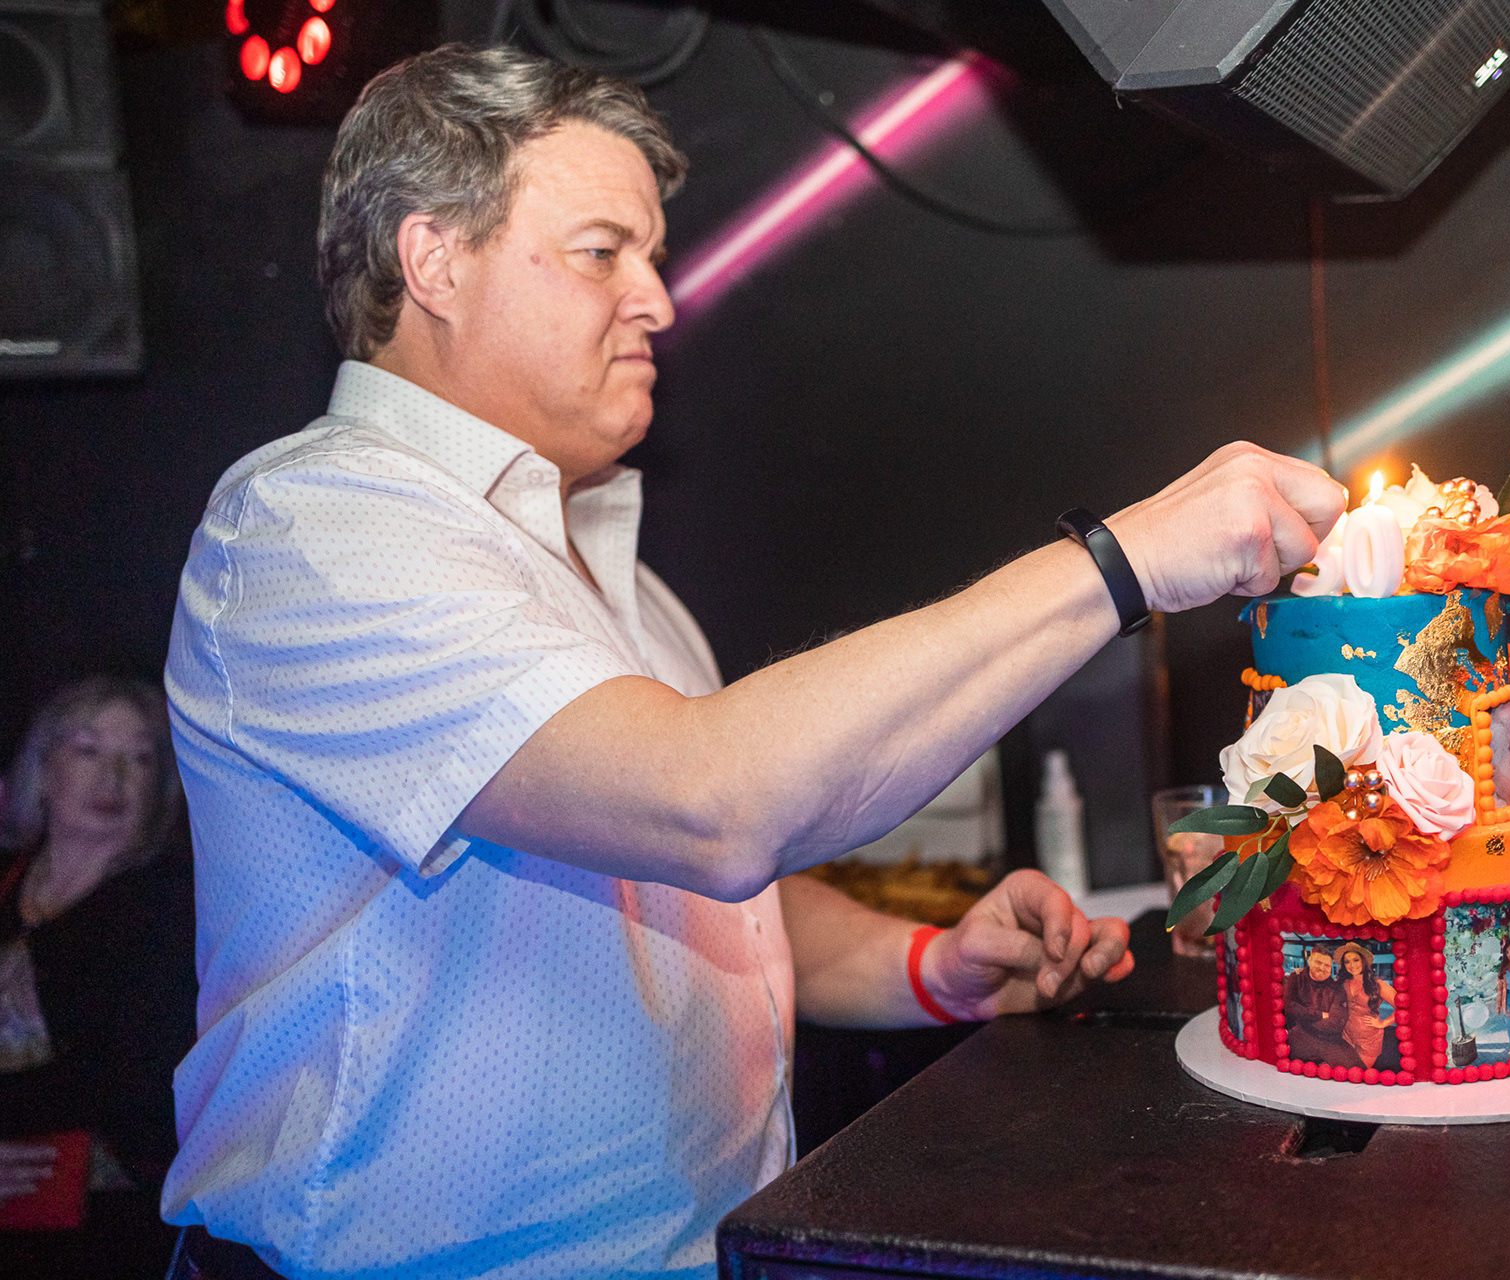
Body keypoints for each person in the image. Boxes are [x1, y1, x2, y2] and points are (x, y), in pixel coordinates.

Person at [160, 45, 1346, 1279]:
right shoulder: (315, 525)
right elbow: (712, 802)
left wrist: (929, 965)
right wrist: (1125, 558)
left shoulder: (615, 574)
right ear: (434, 261)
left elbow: (702, 888)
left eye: (652, 257)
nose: (658, 300)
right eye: (602, 252)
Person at [0, 678, 196, 1279]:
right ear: (42, 768)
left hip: (101, 1238)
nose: (112, 777)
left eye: (140, 758)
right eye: (88, 750)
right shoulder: (8, 886)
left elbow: (153, 1097)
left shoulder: (170, 913)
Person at [1281, 944, 1363, 1069]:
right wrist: (1319, 1014)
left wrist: (1303, 1020)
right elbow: (1288, 1006)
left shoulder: (1336, 988)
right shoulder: (1296, 978)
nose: (1322, 968)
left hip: (1330, 1039)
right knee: (1288, 1063)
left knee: (1358, 1068)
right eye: (1318, 962)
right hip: (1300, 1036)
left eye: (1327, 965)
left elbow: (1336, 1022)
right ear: (1310, 961)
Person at [1331, 941, 1394, 1071]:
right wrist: (1301, 973)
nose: (1352, 965)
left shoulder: (1378, 985)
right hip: (1345, 1037)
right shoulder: (1342, 983)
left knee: (1357, 1074)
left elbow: (1404, 1007)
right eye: (1347, 961)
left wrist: (1383, 1023)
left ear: (1363, 961)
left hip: (1368, 1041)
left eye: (1356, 960)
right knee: (1342, 1074)